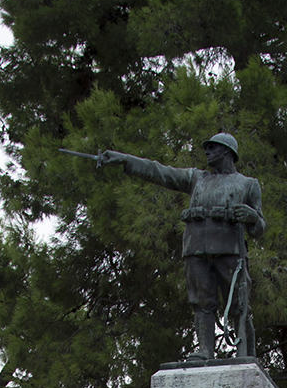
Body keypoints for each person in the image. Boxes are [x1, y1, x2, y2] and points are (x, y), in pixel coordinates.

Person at [98, 133, 265, 362]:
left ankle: (245, 353)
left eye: (212, 148)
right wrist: (125, 159)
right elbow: (160, 172)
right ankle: (205, 350)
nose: (206, 152)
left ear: (226, 151)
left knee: (238, 305)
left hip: (230, 249)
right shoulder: (197, 178)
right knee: (201, 302)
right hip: (195, 247)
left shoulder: (247, 184)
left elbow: (260, 228)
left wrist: (252, 217)